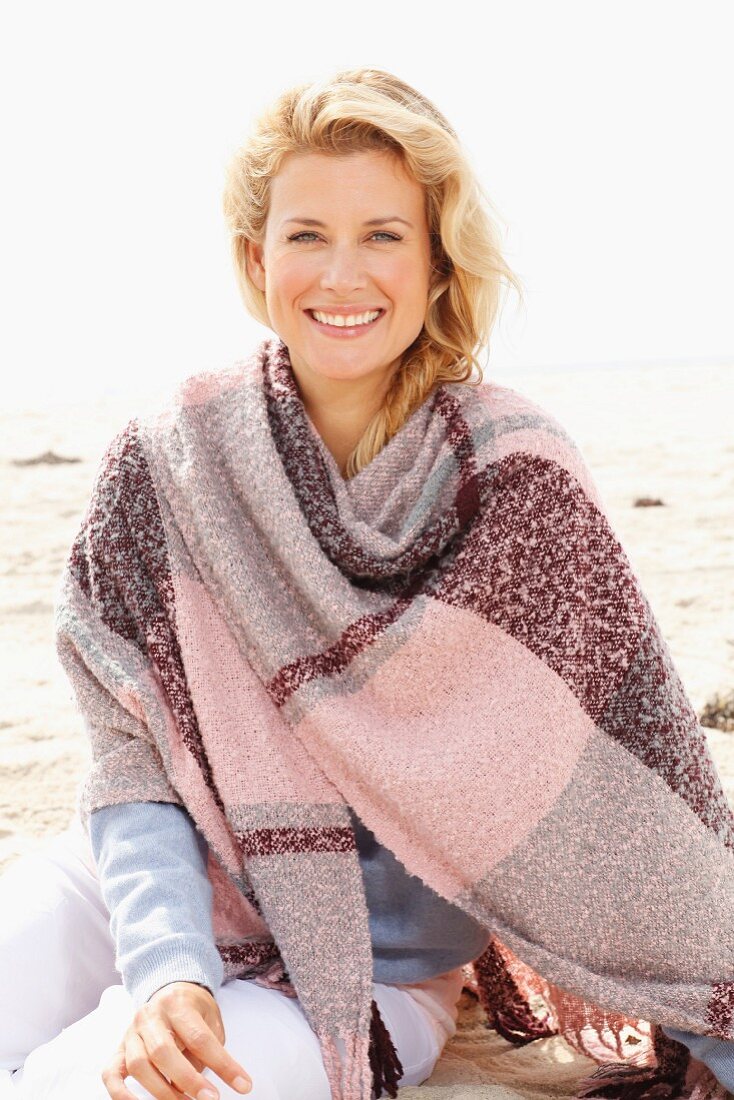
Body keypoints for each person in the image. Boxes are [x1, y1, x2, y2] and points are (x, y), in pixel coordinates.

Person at [1, 66, 732, 1100]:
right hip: (146, 891)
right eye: (306, 235)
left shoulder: (514, 480)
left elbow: (632, 784)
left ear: (437, 262)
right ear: (257, 259)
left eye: (383, 234)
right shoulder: (173, 456)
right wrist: (168, 966)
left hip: (367, 970)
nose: (341, 274)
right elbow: (133, 764)